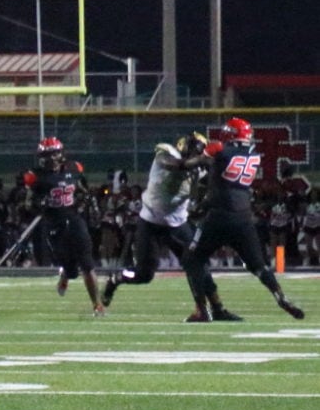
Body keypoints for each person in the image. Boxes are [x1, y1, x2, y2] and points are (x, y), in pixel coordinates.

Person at [101, 131, 241, 322]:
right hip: (150, 221)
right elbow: (174, 165)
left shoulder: (200, 169)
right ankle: (116, 279)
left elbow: (214, 188)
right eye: (197, 152)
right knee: (144, 274)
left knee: (198, 263)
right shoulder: (167, 153)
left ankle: (215, 309)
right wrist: (201, 161)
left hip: (177, 223)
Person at [182, 117, 304, 322]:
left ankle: (202, 310)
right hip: (244, 218)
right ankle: (280, 296)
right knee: (259, 266)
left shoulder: (220, 148)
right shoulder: (254, 155)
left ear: (230, 134)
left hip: (219, 216)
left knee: (192, 259)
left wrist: (188, 160)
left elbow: (192, 164)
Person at [23, 137, 105, 316]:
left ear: (61, 154)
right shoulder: (36, 176)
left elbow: (83, 190)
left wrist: (92, 203)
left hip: (74, 219)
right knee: (72, 270)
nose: (51, 159)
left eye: (54, 154)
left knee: (87, 263)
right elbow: (28, 205)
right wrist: (39, 203)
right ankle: (66, 274)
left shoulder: (73, 169)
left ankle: (97, 305)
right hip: (54, 224)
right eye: (47, 155)